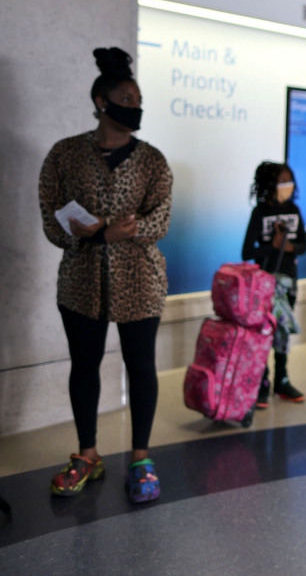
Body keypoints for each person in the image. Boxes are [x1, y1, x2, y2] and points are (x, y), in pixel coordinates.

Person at [38, 48, 172, 503]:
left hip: (141, 281)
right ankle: (88, 455)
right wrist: (99, 238)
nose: (134, 106)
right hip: (80, 281)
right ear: (101, 101)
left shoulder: (152, 160)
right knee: (85, 366)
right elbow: (50, 216)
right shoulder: (65, 154)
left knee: (141, 367)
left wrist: (125, 233)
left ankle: (140, 458)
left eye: (138, 99)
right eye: (126, 98)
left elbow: (162, 219)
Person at [242, 161, 306, 406]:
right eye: (281, 181)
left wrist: (290, 246)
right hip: (265, 285)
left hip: (289, 282)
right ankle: (262, 381)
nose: (287, 186)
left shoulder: (294, 209)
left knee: (283, 331)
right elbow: (247, 251)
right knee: (263, 333)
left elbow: (304, 245)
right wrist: (273, 247)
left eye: (289, 180)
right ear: (269, 184)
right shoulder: (260, 213)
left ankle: (282, 379)